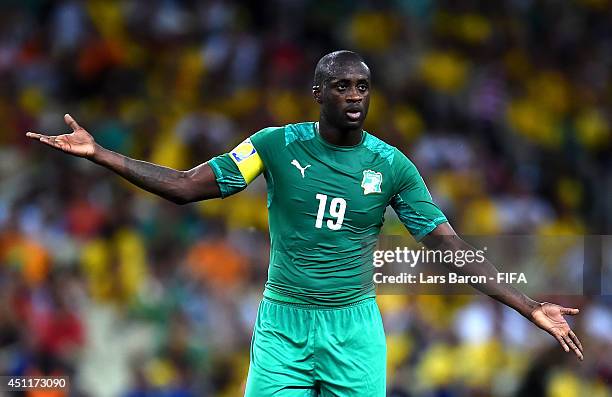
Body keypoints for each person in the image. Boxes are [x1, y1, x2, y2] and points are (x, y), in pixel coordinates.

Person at [27, 50, 583, 396]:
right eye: (342, 86)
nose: (354, 96)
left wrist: (530, 307)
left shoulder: (392, 167)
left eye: (362, 87)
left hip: (353, 327)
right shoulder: (272, 146)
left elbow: (448, 246)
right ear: (318, 94)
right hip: (284, 325)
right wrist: (101, 154)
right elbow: (184, 187)